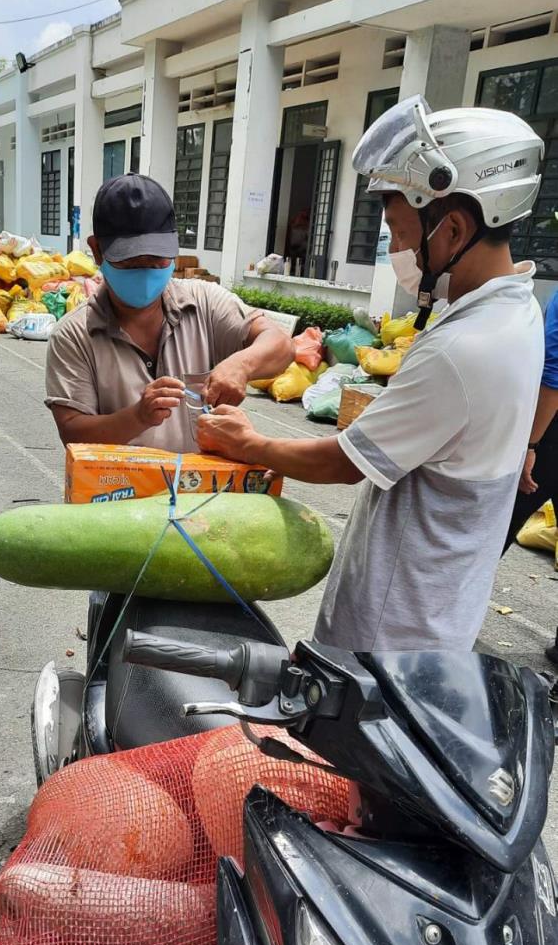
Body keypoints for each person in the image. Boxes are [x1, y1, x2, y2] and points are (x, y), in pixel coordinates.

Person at [198, 96, 545, 653]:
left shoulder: (464, 349)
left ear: (453, 229)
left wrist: (249, 442)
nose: (399, 251)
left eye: (404, 236)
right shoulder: (517, 312)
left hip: (392, 635)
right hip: (440, 613)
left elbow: (342, 463)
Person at [45, 174, 294, 452]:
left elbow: (281, 344)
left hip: (198, 492)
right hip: (117, 492)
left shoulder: (205, 302)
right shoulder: (73, 336)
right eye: (130, 261)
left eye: (156, 259)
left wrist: (242, 366)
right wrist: (137, 416)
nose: (145, 270)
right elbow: (72, 433)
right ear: (97, 250)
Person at [501, 289, 558, 664]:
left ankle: (444, 627)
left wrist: (531, 443)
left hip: (552, 431)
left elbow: (554, 371)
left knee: (499, 524)